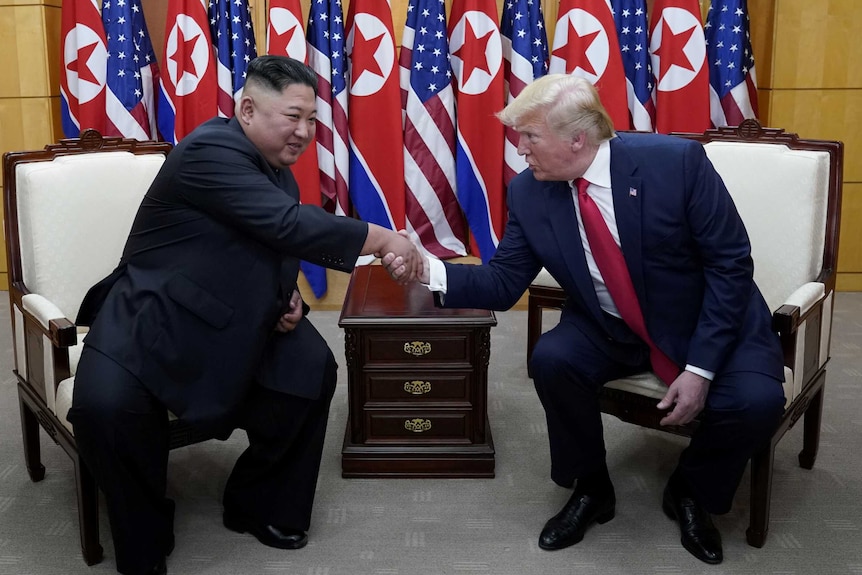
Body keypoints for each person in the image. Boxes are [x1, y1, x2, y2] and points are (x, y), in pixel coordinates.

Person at [399, 74, 786, 564]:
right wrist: (425, 268)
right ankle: (591, 485)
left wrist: (701, 368)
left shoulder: (675, 165)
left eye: (530, 137)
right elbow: (502, 283)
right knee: (554, 360)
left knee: (756, 402)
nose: (520, 150)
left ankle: (691, 489)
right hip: (609, 323)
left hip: (706, 319)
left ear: (577, 138)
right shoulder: (529, 193)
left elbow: (730, 266)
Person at [67, 56, 420, 575]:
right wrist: (385, 238)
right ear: (248, 109)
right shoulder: (212, 148)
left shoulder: (274, 170)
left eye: (311, 120)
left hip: (234, 314)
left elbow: (269, 247)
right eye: (293, 117)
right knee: (104, 407)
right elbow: (285, 225)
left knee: (309, 370)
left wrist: (288, 298)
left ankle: (259, 502)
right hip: (153, 314)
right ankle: (143, 530)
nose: (304, 133)